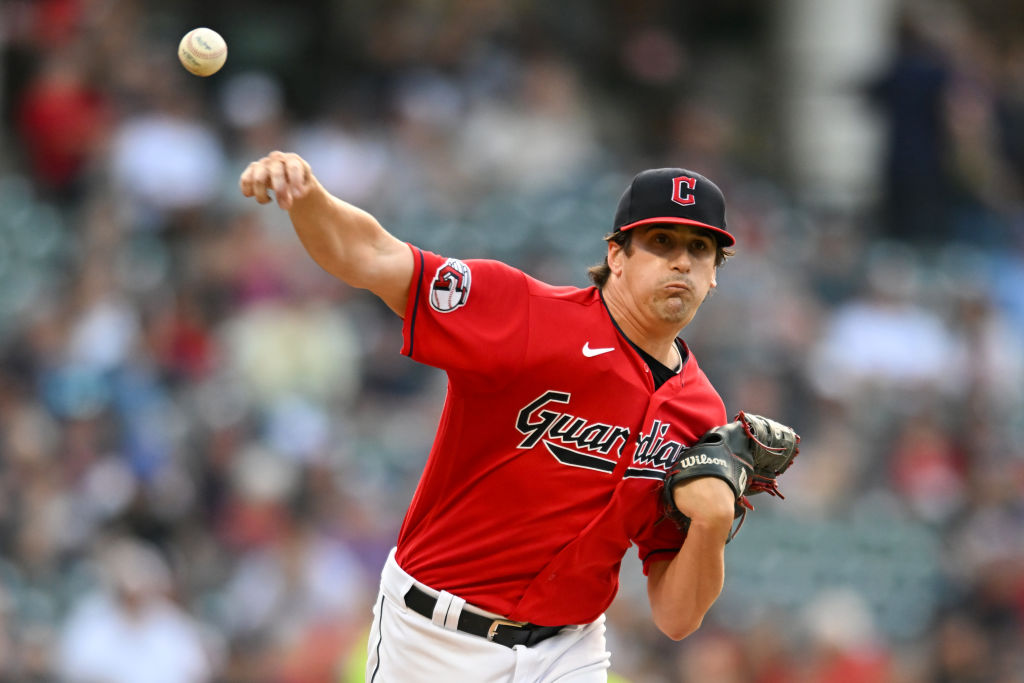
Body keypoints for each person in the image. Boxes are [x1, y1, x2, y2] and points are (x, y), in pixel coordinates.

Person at [240, 152, 740, 681]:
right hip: (436, 638)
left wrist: (711, 525)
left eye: (699, 249)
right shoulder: (523, 313)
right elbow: (373, 256)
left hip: (569, 650)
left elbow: (677, 617)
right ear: (616, 256)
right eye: (660, 242)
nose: (681, 262)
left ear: (713, 277)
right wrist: (309, 197)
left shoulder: (700, 412)